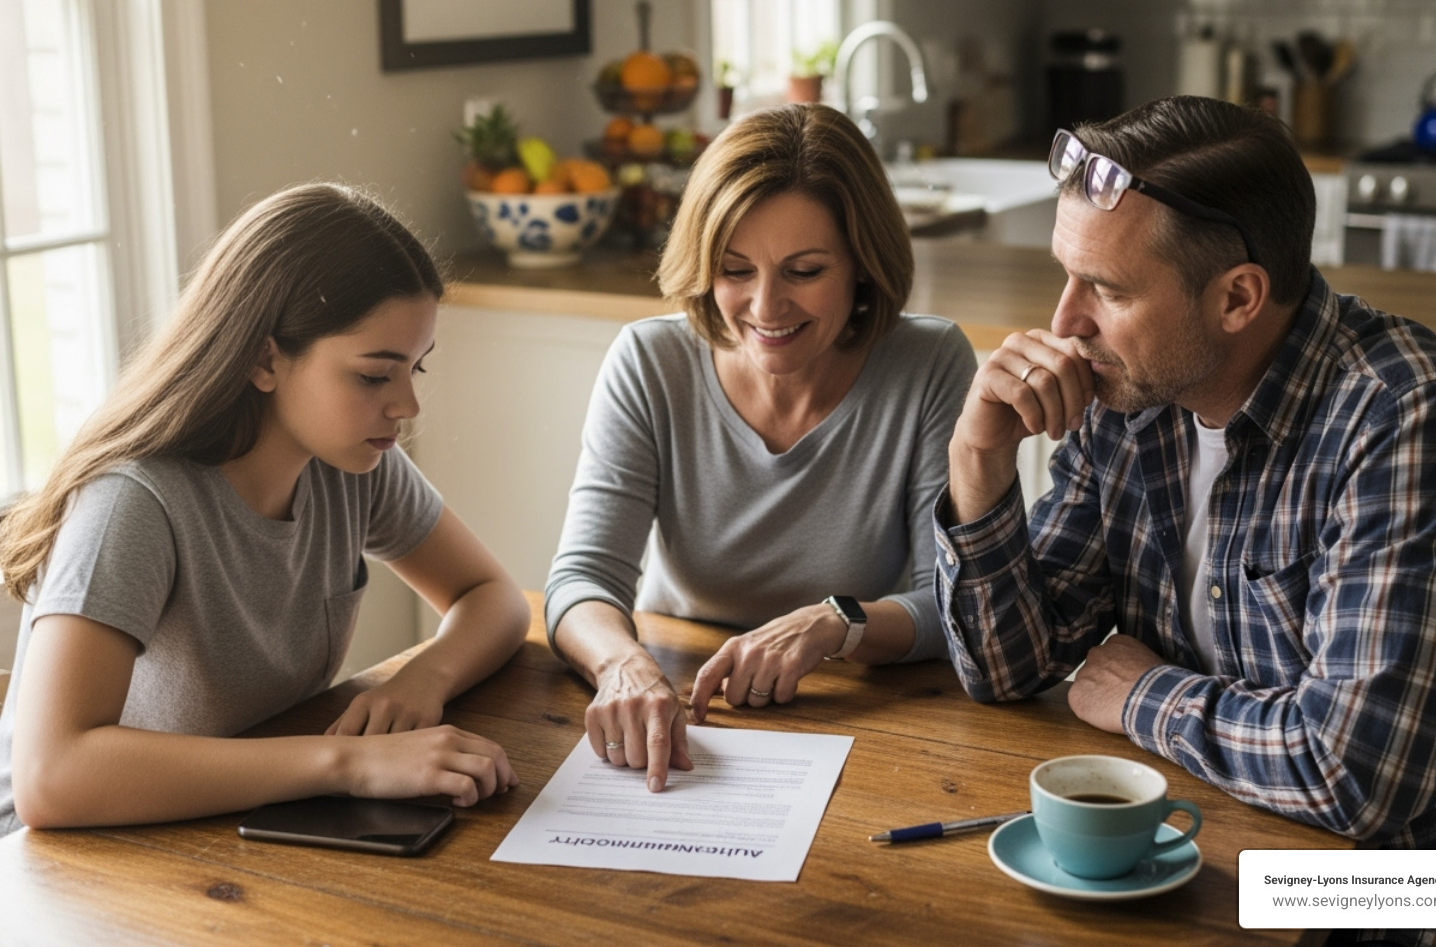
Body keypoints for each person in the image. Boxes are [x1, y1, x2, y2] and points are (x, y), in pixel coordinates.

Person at [937, 96, 1436, 947]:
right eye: (1067, 276)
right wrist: (976, 459)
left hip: (1427, 898)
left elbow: (1352, 776)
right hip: (1216, 843)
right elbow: (1007, 667)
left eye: (1107, 289)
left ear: (1238, 298)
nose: (1065, 322)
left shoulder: (1415, 416)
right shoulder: (1129, 397)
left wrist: (1140, 695)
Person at [0, 183, 530, 835]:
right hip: (56, 861)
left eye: (414, 369)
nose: (406, 407)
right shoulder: (133, 503)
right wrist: (352, 764)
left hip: (220, 829)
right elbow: (51, 778)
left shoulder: (351, 464)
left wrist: (424, 678)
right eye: (374, 375)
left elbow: (493, 596)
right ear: (264, 359)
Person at [545, 103, 976, 792]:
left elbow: (954, 603)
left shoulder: (929, 362)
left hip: (861, 713)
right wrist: (622, 665)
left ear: (863, 265)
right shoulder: (650, 362)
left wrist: (835, 622)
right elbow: (581, 580)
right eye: (735, 270)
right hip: (679, 698)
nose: (766, 308)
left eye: (804, 271)